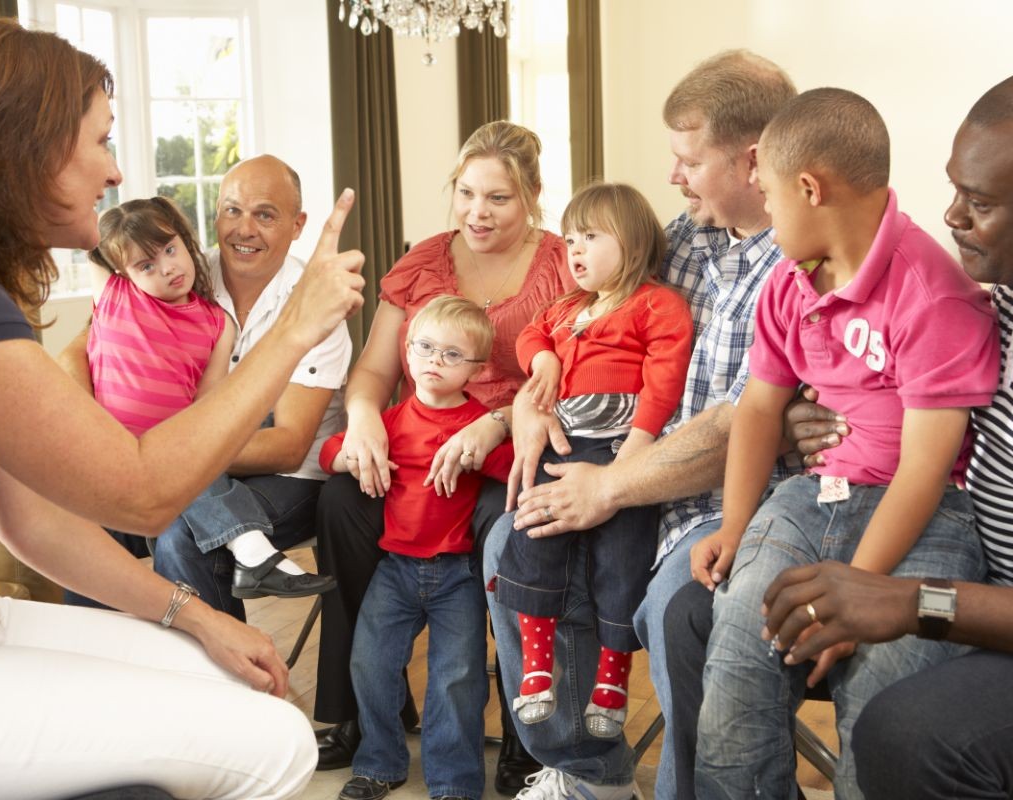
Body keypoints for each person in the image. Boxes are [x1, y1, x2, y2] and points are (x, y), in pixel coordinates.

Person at [0, 18, 364, 799]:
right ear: (27, 150)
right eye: (100, 142)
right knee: (277, 743)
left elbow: (29, 518)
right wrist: (299, 322)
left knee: (234, 681)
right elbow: (143, 492)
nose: (115, 172)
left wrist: (200, 619)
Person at [764, 63, 1013, 799]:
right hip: (984, 581)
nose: (953, 217)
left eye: (981, 202)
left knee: (910, 734)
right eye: (955, 189)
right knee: (699, 615)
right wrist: (799, 418)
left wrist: (919, 602)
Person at [484, 50, 796, 800]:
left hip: (730, 503)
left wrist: (611, 488)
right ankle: (590, 772)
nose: (673, 176)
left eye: (688, 160)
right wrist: (527, 410)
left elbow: (741, 430)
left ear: (751, 161)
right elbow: (570, 327)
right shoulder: (680, 238)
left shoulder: (797, 259)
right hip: (628, 474)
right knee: (509, 542)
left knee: (674, 608)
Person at [690, 88, 999, 800]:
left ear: (808, 187)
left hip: (923, 517)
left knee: (888, 703)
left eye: (767, 193)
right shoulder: (787, 285)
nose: (764, 210)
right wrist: (736, 528)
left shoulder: (932, 292)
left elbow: (925, 467)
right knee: (738, 647)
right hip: (808, 500)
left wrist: (854, 595)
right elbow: (759, 412)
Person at [313, 120, 573, 794]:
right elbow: (372, 372)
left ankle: (526, 733)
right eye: (466, 194)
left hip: (513, 447)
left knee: (504, 517)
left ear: (533, 196)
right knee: (340, 501)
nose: (477, 213)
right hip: (416, 440)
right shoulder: (422, 263)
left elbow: (569, 385)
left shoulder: (560, 268)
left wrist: (493, 425)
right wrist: (366, 420)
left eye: (498, 199)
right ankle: (366, 699)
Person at [62, 154, 355, 619]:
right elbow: (79, 349)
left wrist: (160, 450)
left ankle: (225, 680)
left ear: (298, 225)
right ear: (214, 215)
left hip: (289, 476)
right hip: (174, 454)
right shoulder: (180, 272)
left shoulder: (315, 306)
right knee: (79, 522)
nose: (244, 229)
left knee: (183, 536)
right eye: (233, 211)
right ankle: (102, 666)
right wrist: (101, 438)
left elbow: (287, 447)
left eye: (265, 214)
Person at [493, 182, 691, 740]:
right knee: (531, 533)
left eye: (590, 237)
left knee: (621, 560)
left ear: (630, 244)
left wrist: (635, 450)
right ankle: (537, 668)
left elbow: (664, 375)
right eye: (569, 238)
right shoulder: (565, 309)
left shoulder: (657, 303)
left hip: (619, 450)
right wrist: (544, 358)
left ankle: (612, 675)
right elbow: (528, 335)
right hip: (564, 444)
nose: (573, 250)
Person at [321, 295, 513, 800]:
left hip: (457, 576)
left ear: (476, 369)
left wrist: (489, 447)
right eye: (425, 347)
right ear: (406, 350)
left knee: (457, 679)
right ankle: (380, 763)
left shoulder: (477, 426)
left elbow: (514, 468)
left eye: (452, 354)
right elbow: (328, 452)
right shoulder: (389, 421)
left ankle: (454, 782)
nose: (434, 361)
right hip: (396, 569)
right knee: (371, 663)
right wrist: (355, 457)